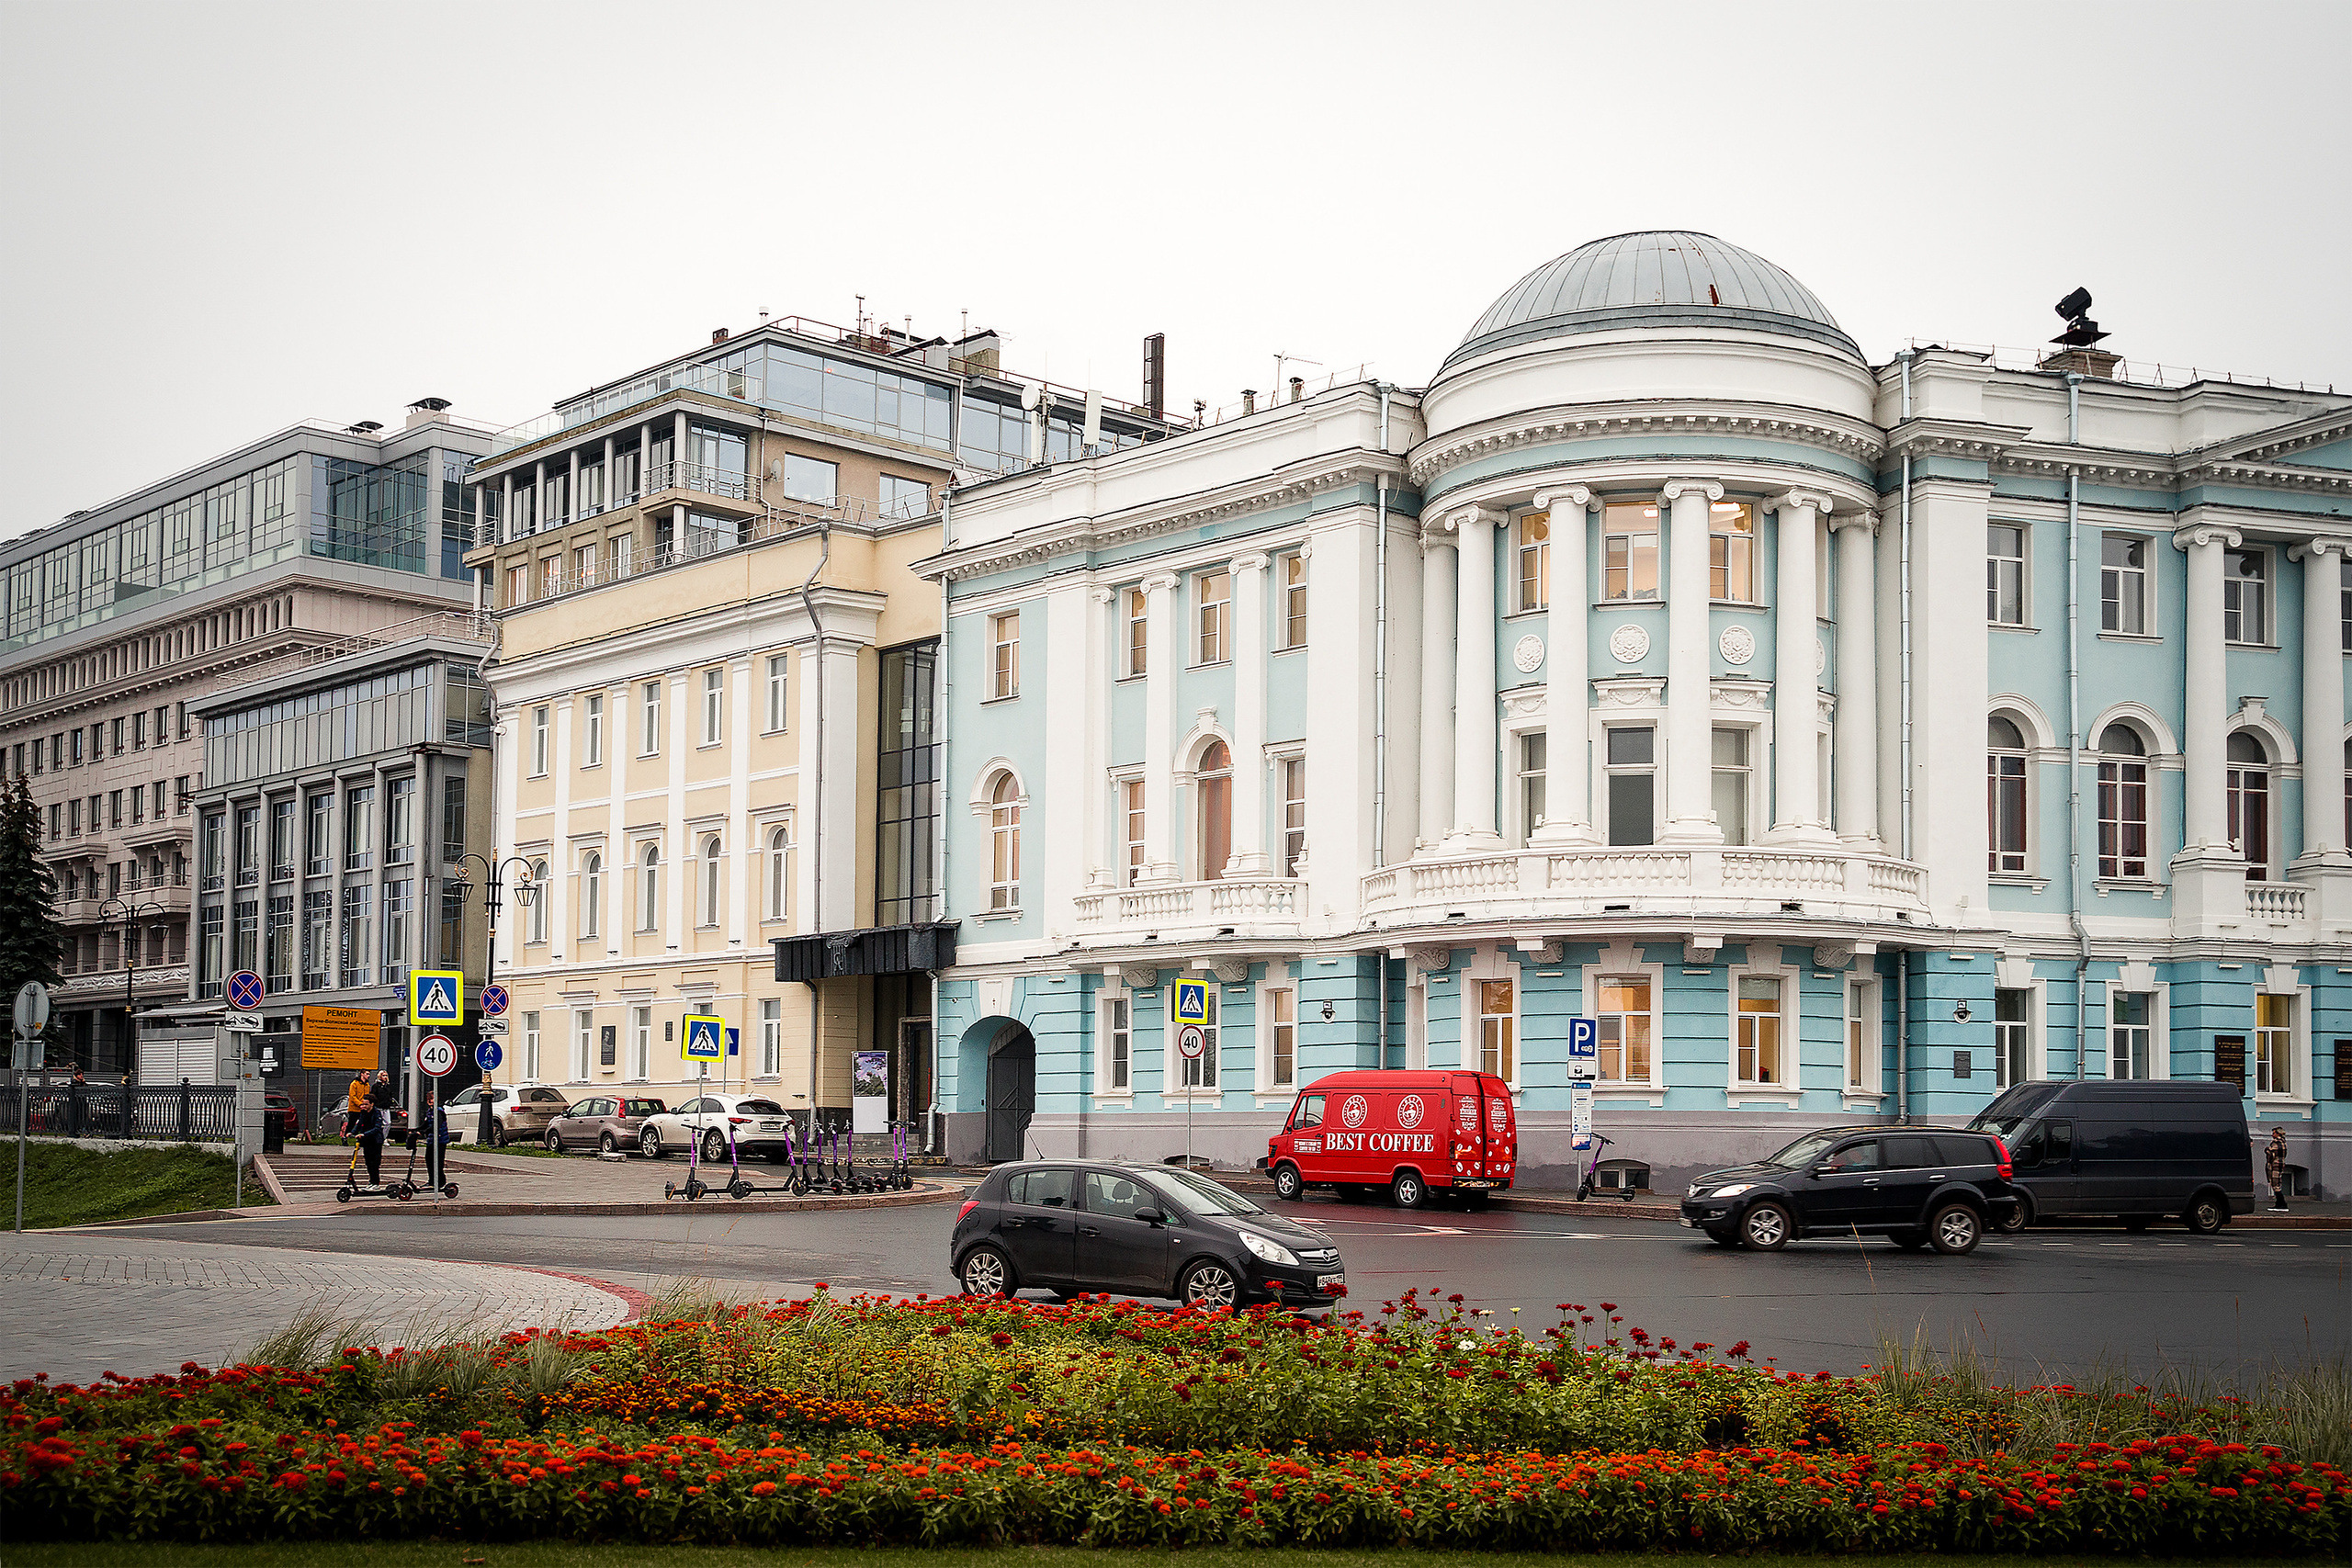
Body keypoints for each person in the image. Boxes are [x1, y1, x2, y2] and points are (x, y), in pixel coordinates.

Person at [361, 1070, 397, 1185]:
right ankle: (373, 1182)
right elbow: (359, 1124)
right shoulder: (376, 1086)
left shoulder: (387, 1087)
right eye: (383, 1075)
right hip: (379, 1107)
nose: (385, 1077)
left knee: (387, 1123)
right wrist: (353, 1132)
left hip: (385, 1108)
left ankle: (384, 1137)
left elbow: (390, 1096)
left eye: (386, 1075)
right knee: (369, 1161)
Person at [2267, 1126, 2290, 1211]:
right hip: (2281, 1164)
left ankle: (2282, 1204)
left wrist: (2267, 1150)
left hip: (2275, 1164)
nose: (2272, 1135)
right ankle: (2279, 1204)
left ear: (2278, 1133)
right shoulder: (2284, 1142)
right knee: (2277, 1183)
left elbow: (2271, 1153)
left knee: (2275, 1184)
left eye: (2274, 1133)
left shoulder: (2276, 1142)